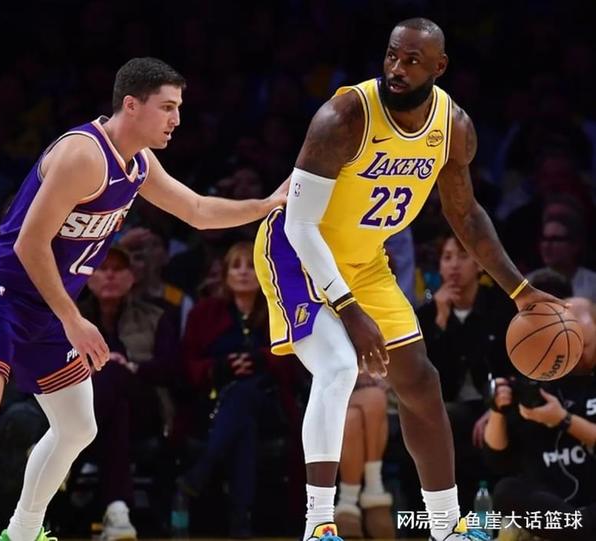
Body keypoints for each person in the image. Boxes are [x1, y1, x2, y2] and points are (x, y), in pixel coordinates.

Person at [0, 56, 288, 541]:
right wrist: (73, 320)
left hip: (46, 308)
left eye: (178, 108)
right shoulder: (84, 155)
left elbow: (198, 210)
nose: (176, 119)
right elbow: (29, 245)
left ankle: (22, 533)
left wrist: (267, 204)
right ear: (132, 105)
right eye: (167, 107)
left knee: (78, 427)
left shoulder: (138, 163)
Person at [253, 17, 561, 541]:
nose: (397, 68)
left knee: (420, 380)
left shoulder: (453, 127)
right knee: (338, 365)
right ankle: (318, 525)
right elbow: (300, 225)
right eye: (392, 56)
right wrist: (350, 311)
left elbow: (465, 214)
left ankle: (445, 527)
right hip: (296, 252)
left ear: (439, 67)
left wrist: (520, 290)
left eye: (413, 60)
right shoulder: (343, 117)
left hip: (364, 260)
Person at [177, 241, 298, 538]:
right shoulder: (204, 313)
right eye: (236, 266)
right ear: (225, 275)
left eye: (252, 266)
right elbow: (187, 365)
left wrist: (260, 360)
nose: (244, 273)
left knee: (245, 395)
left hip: (272, 406)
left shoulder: (280, 311)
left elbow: (297, 360)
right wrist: (220, 367)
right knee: (244, 422)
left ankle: (203, 469)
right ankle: (240, 520)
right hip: (214, 405)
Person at [78, 246, 180, 540]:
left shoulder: (157, 315)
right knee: (116, 408)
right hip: (96, 407)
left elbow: (172, 369)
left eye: (118, 269)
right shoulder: (73, 318)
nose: (110, 275)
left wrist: (131, 367)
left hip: (147, 410)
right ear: (88, 277)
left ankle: (62, 453)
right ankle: (118, 511)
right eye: (102, 268)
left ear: (132, 277)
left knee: (113, 373)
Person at [416, 234, 516, 512]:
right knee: (440, 421)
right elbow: (427, 378)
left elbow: (513, 368)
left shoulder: (501, 308)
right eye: (447, 257)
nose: (454, 265)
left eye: (463, 256)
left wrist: (494, 408)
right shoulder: (426, 315)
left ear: (480, 264)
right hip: (447, 407)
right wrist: (440, 323)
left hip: (494, 404)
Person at [484, 297, 596, 541]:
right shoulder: (535, 383)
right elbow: (496, 458)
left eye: (584, 345)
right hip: (553, 506)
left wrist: (564, 420)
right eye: (571, 345)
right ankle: (578, 532)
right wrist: (497, 410)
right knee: (506, 490)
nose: (577, 354)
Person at [334, 372, 394, 539]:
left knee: (353, 418)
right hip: (334, 392)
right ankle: (374, 490)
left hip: (389, 398)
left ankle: (348, 501)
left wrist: (393, 378)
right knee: (374, 398)